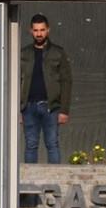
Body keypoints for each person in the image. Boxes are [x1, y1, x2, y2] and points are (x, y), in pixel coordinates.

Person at [19, 14, 74, 164]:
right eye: (36, 30)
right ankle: (30, 182)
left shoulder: (58, 52)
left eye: (42, 30)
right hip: (28, 107)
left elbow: (66, 81)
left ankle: (55, 181)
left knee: (52, 144)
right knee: (30, 145)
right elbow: (16, 81)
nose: (39, 34)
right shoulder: (24, 53)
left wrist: (64, 110)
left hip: (51, 107)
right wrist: (18, 109)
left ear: (48, 30)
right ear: (31, 31)